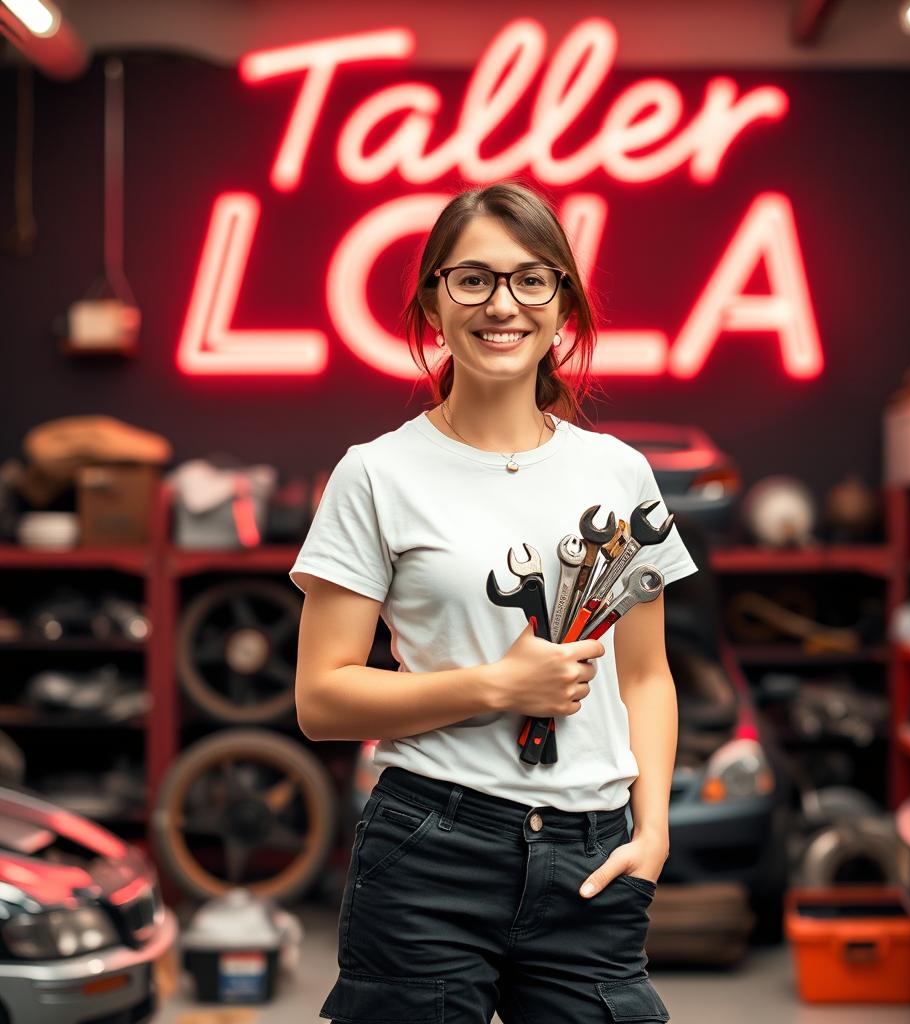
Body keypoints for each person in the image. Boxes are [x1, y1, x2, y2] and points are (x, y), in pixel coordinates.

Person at [290, 180, 698, 1023]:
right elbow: (322, 698)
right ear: (432, 307)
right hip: (428, 851)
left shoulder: (619, 473)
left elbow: (647, 678)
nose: (500, 304)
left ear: (563, 309)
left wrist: (651, 834)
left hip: (593, 853)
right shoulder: (375, 473)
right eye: (470, 279)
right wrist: (496, 687)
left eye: (530, 279)